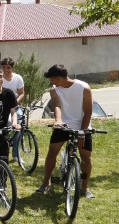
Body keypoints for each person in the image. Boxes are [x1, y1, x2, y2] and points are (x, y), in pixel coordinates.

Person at [37, 64, 95, 198]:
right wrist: (58, 120)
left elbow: (88, 112)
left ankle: (84, 188)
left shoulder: (84, 87)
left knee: (86, 157)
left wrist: (83, 131)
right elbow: (56, 105)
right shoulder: (54, 89)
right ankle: (46, 183)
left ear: (58, 78)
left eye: (52, 79)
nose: (51, 82)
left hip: (83, 125)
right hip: (63, 125)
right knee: (52, 153)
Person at [0, 57, 25, 162]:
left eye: (8, 68)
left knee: (18, 126)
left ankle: (16, 155)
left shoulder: (18, 78)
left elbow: (22, 93)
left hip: (15, 105)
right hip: (2, 107)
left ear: (12, 68)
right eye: (4, 67)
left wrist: (15, 103)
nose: (6, 70)